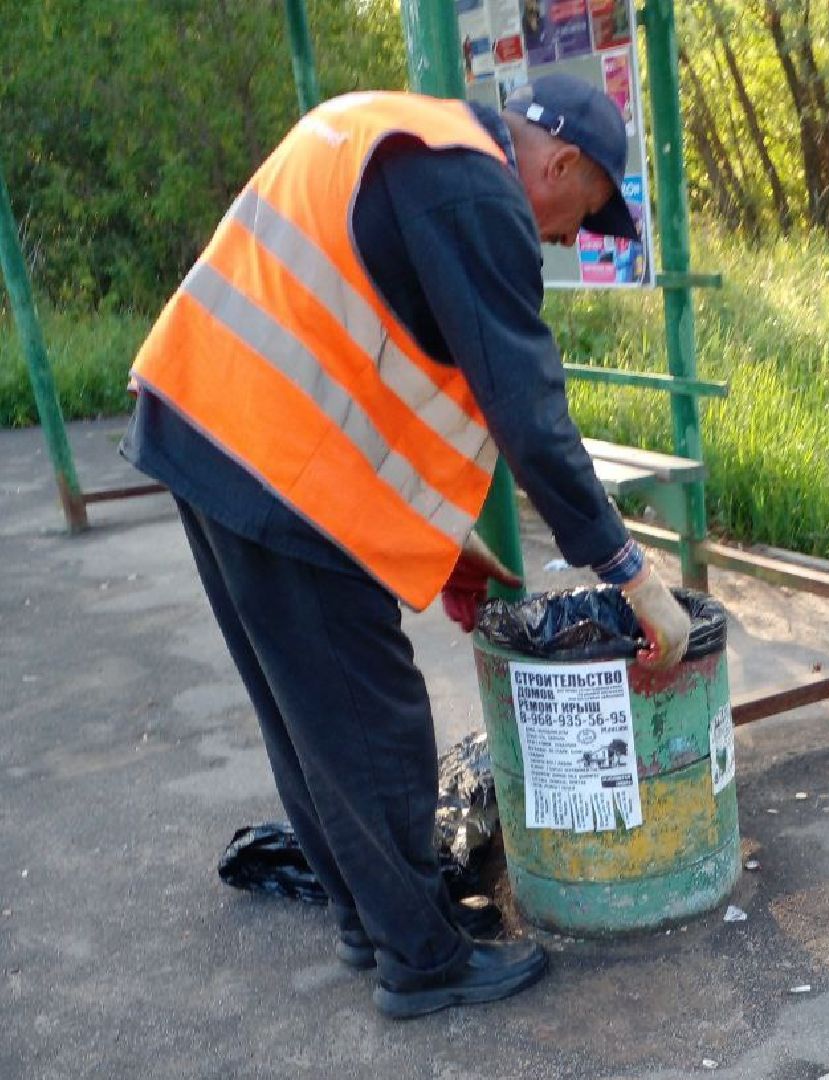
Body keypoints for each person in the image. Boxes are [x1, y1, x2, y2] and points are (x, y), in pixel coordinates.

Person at [119, 73, 691, 1020]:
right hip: (269, 463)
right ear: (560, 163)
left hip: (211, 426)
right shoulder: (471, 187)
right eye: (579, 216)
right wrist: (629, 570)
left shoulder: (410, 143)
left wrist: (443, 541)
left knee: (308, 712)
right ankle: (423, 961)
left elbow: (359, 353)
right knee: (369, 714)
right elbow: (529, 412)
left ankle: (370, 917)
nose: (563, 241)